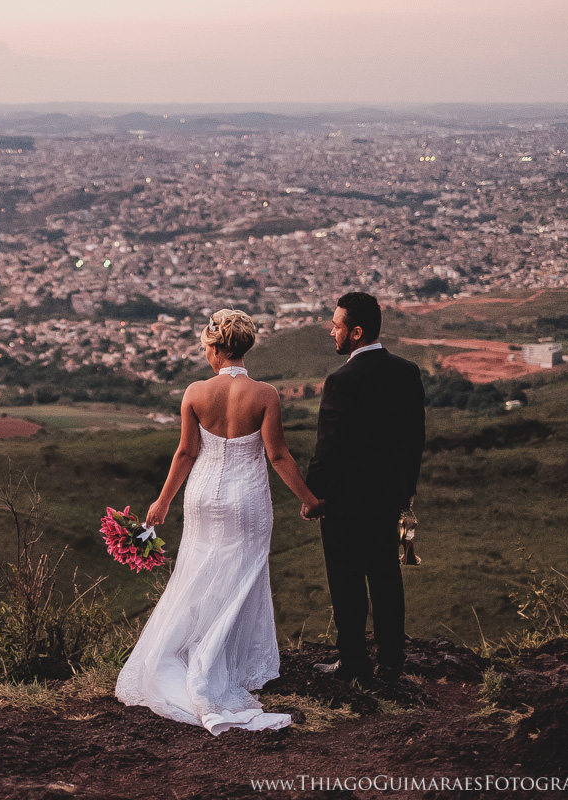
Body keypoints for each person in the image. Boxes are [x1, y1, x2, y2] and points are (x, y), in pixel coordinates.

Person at [115, 309, 324, 735]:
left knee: (198, 575)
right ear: (244, 348)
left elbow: (186, 453)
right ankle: (217, 667)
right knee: (241, 578)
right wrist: (309, 500)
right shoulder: (265, 394)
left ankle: (187, 659)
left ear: (213, 347)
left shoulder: (195, 392)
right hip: (247, 500)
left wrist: (162, 502)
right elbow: (278, 456)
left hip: (203, 498)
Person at [306, 292, 425, 685]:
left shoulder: (341, 381)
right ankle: (392, 663)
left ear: (356, 332)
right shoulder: (407, 372)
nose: (331, 332)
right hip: (388, 498)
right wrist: (405, 492)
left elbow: (329, 447)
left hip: (344, 502)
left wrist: (312, 496)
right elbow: (415, 440)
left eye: (337, 326)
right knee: (387, 577)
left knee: (347, 581)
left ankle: (354, 662)